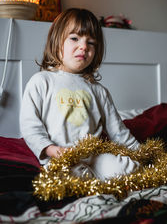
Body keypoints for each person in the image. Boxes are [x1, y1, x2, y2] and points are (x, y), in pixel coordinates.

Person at [20, 8, 140, 167]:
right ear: (57, 42)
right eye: (75, 38)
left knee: (129, 167)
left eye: (90, 42)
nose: (83, 46)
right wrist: (49, 149)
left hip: (95, 157)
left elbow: (118, 132)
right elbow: (30, 125)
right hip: (60, 157)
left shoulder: (98, 90)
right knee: (70, 178)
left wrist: (141, 154)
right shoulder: (41, 81)